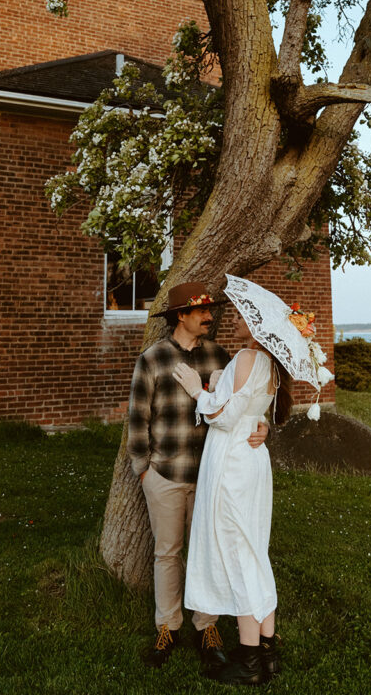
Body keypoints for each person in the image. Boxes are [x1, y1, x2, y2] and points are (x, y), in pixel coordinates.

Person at [127, 281, 269, 671]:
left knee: (209, 554)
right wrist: (144, 471)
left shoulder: (221, 357)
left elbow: (245, 408)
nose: (210, 317)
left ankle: (207, 627)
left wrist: (263, 428)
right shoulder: (153, 359)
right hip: (166, 475)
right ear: (181, 316)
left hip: (213, 477)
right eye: (202, 311)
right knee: (167, 552)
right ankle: (167, 626)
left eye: (210, 310)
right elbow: (137, 421)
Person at [172, 307, 293, 685]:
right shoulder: (270, 366)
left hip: (232, 465)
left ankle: (249, 659)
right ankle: (267, 652)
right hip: (253, 461)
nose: (234, 322)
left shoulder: (246, 357)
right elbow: (250, 410)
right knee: (254, 551)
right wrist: (220, 391)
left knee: (239, 554)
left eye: (242, 318)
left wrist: (197, 390)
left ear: (256, 327)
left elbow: (222, 417)